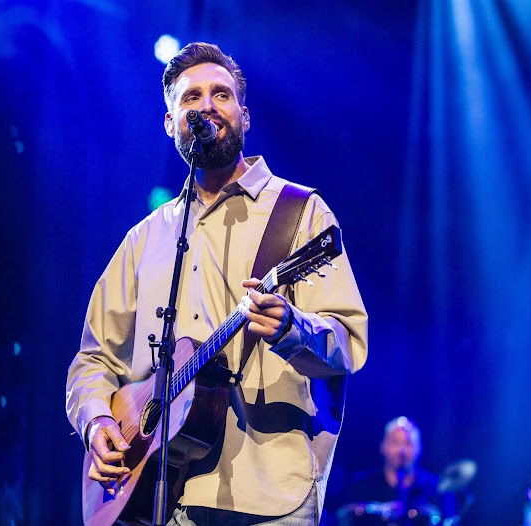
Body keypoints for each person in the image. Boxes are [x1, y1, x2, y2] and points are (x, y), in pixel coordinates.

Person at [65, 42, 368, 525]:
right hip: (164, 495)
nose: (207, 106)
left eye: (221, 95)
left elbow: (348, 344)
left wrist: (292, 327)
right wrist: (97, 419)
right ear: (170, 124)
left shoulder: (299, 212)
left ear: (244, 116)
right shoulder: (145, 238)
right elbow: (93, 359)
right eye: (191, 98)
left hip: (270, 494)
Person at [333, 417, 456, 525]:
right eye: (395, 442)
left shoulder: (437, 487)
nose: (401, 451)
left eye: (408, 444)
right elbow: (344, 516)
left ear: (419, 449)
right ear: (383, 446)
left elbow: (449, 520)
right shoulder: (361, 484)